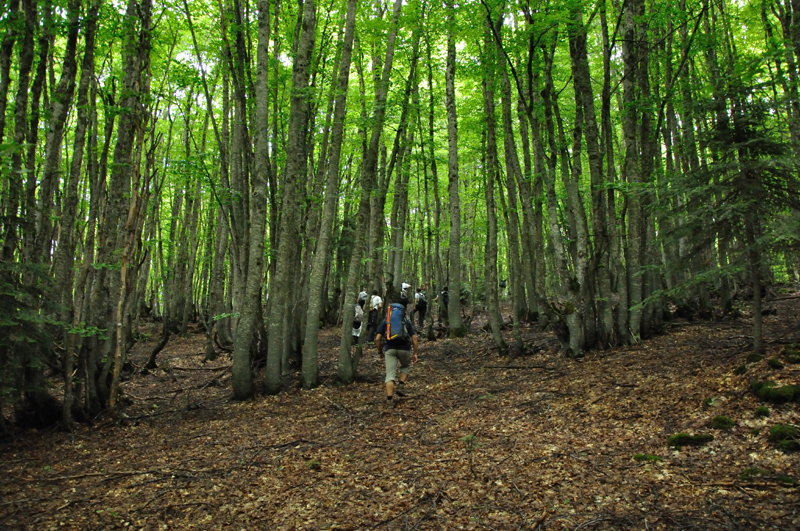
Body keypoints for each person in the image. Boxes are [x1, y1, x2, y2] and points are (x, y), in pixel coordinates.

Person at [375, 305, 419, 406]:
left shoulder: (386, 321)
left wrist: (380, 352)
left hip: (390, 349)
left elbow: (377, 339)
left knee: (390, 375)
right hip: (405, 349)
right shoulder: (405, 321)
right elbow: (415, 338)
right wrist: (415, 353)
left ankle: (390, 400)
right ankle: (401, 385)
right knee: (406, 366)